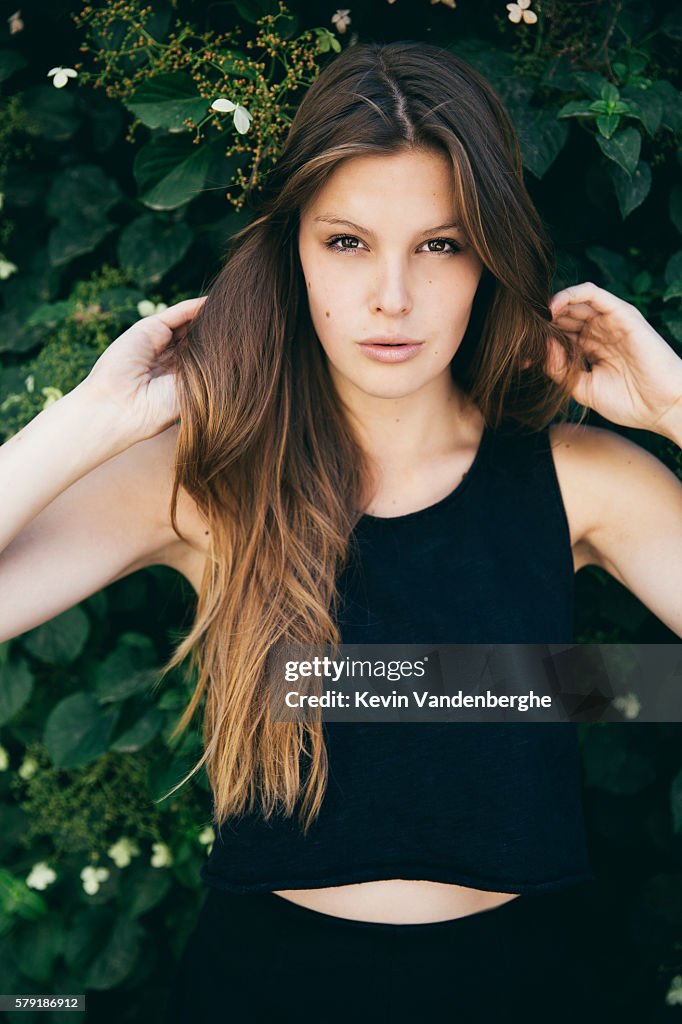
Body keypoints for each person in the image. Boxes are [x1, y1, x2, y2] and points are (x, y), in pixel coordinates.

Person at [1, 40, 681, 1024]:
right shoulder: (208, 483)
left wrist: (671, 405)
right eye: (348, 242)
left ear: (489, 255)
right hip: (264, 986)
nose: (391, 297)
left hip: (524, 982)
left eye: (439, 244)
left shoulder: (581, 480)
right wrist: (90, 420)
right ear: (292, 252)